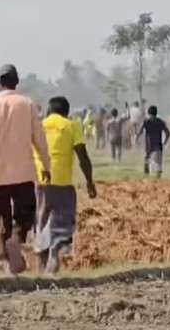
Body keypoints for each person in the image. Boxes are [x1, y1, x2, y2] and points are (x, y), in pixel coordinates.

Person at [0, 64, 51, 275]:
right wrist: (46, 165)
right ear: (17, 83)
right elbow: (40, 139)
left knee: (1, 218)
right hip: (24, 173)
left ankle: (10, 259)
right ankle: (15, 245)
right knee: (25, 217)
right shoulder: (28, 105)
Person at [34, 96, 96, 273]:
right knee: (62, 227)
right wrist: (90, 182)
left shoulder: (39, 126)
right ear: (66, 112)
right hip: (62, 184)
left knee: (41, 224)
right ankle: (55, 250)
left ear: (49, 110)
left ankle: (40, 274)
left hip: (40, 183)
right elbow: (83, 157)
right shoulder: (71, 125)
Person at [138, 106, 170, 178]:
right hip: (158, 143)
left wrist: (137, 138)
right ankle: (158, 174)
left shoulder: (146, 121)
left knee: (147, 158)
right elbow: (167, 132)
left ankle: (146, 172)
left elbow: (140, 131)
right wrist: (165, 141)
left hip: (149, 143)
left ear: (149, 113)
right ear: (156, 113)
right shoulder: (160, 122)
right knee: (158, 160)